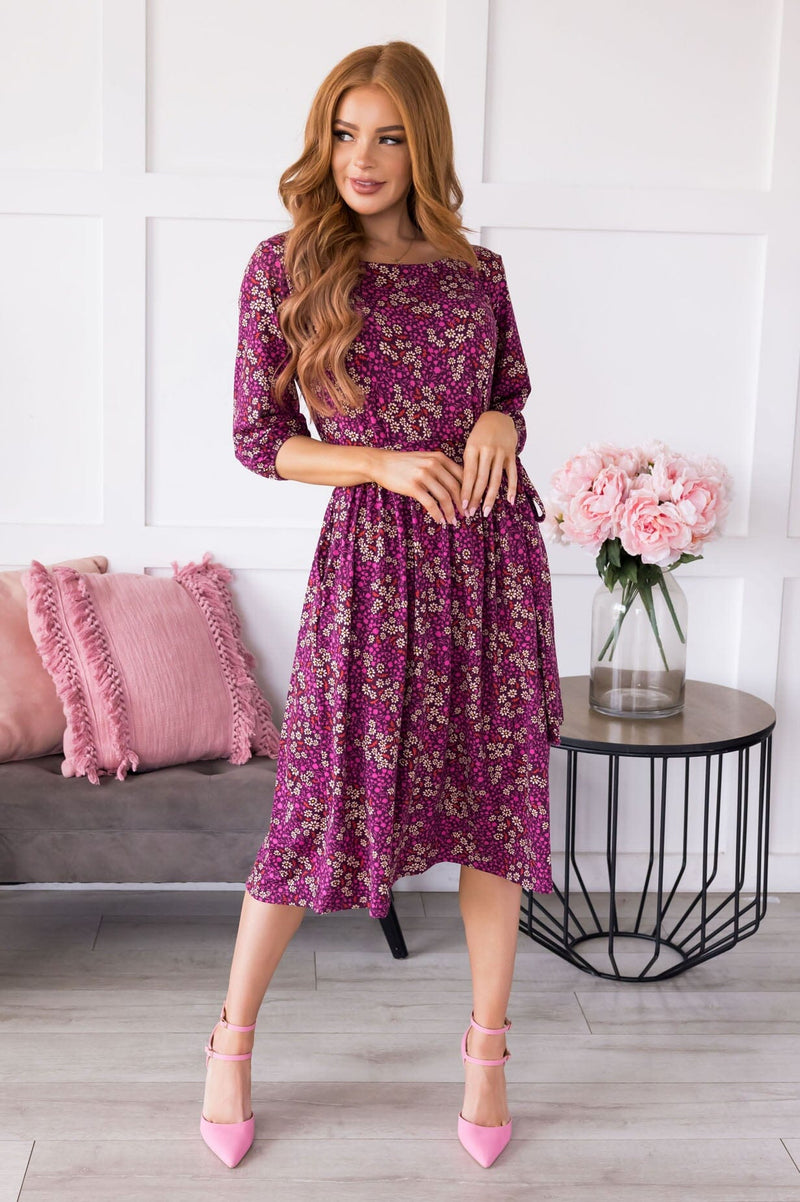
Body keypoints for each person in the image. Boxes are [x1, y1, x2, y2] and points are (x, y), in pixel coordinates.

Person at [200, 39, 564, 1172]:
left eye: (390, 136)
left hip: (491, 563)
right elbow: (260, 440)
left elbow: (507, 395)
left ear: (424, 146)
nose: (362, 158)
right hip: (372, 571)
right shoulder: (285, 266)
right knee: (313, 805)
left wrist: (498, 421)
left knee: (496, 810)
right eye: (345, 133)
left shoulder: (477, 271)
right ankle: (230, 1041)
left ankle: (487, 1054)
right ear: (324, 140)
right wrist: (379, 462)